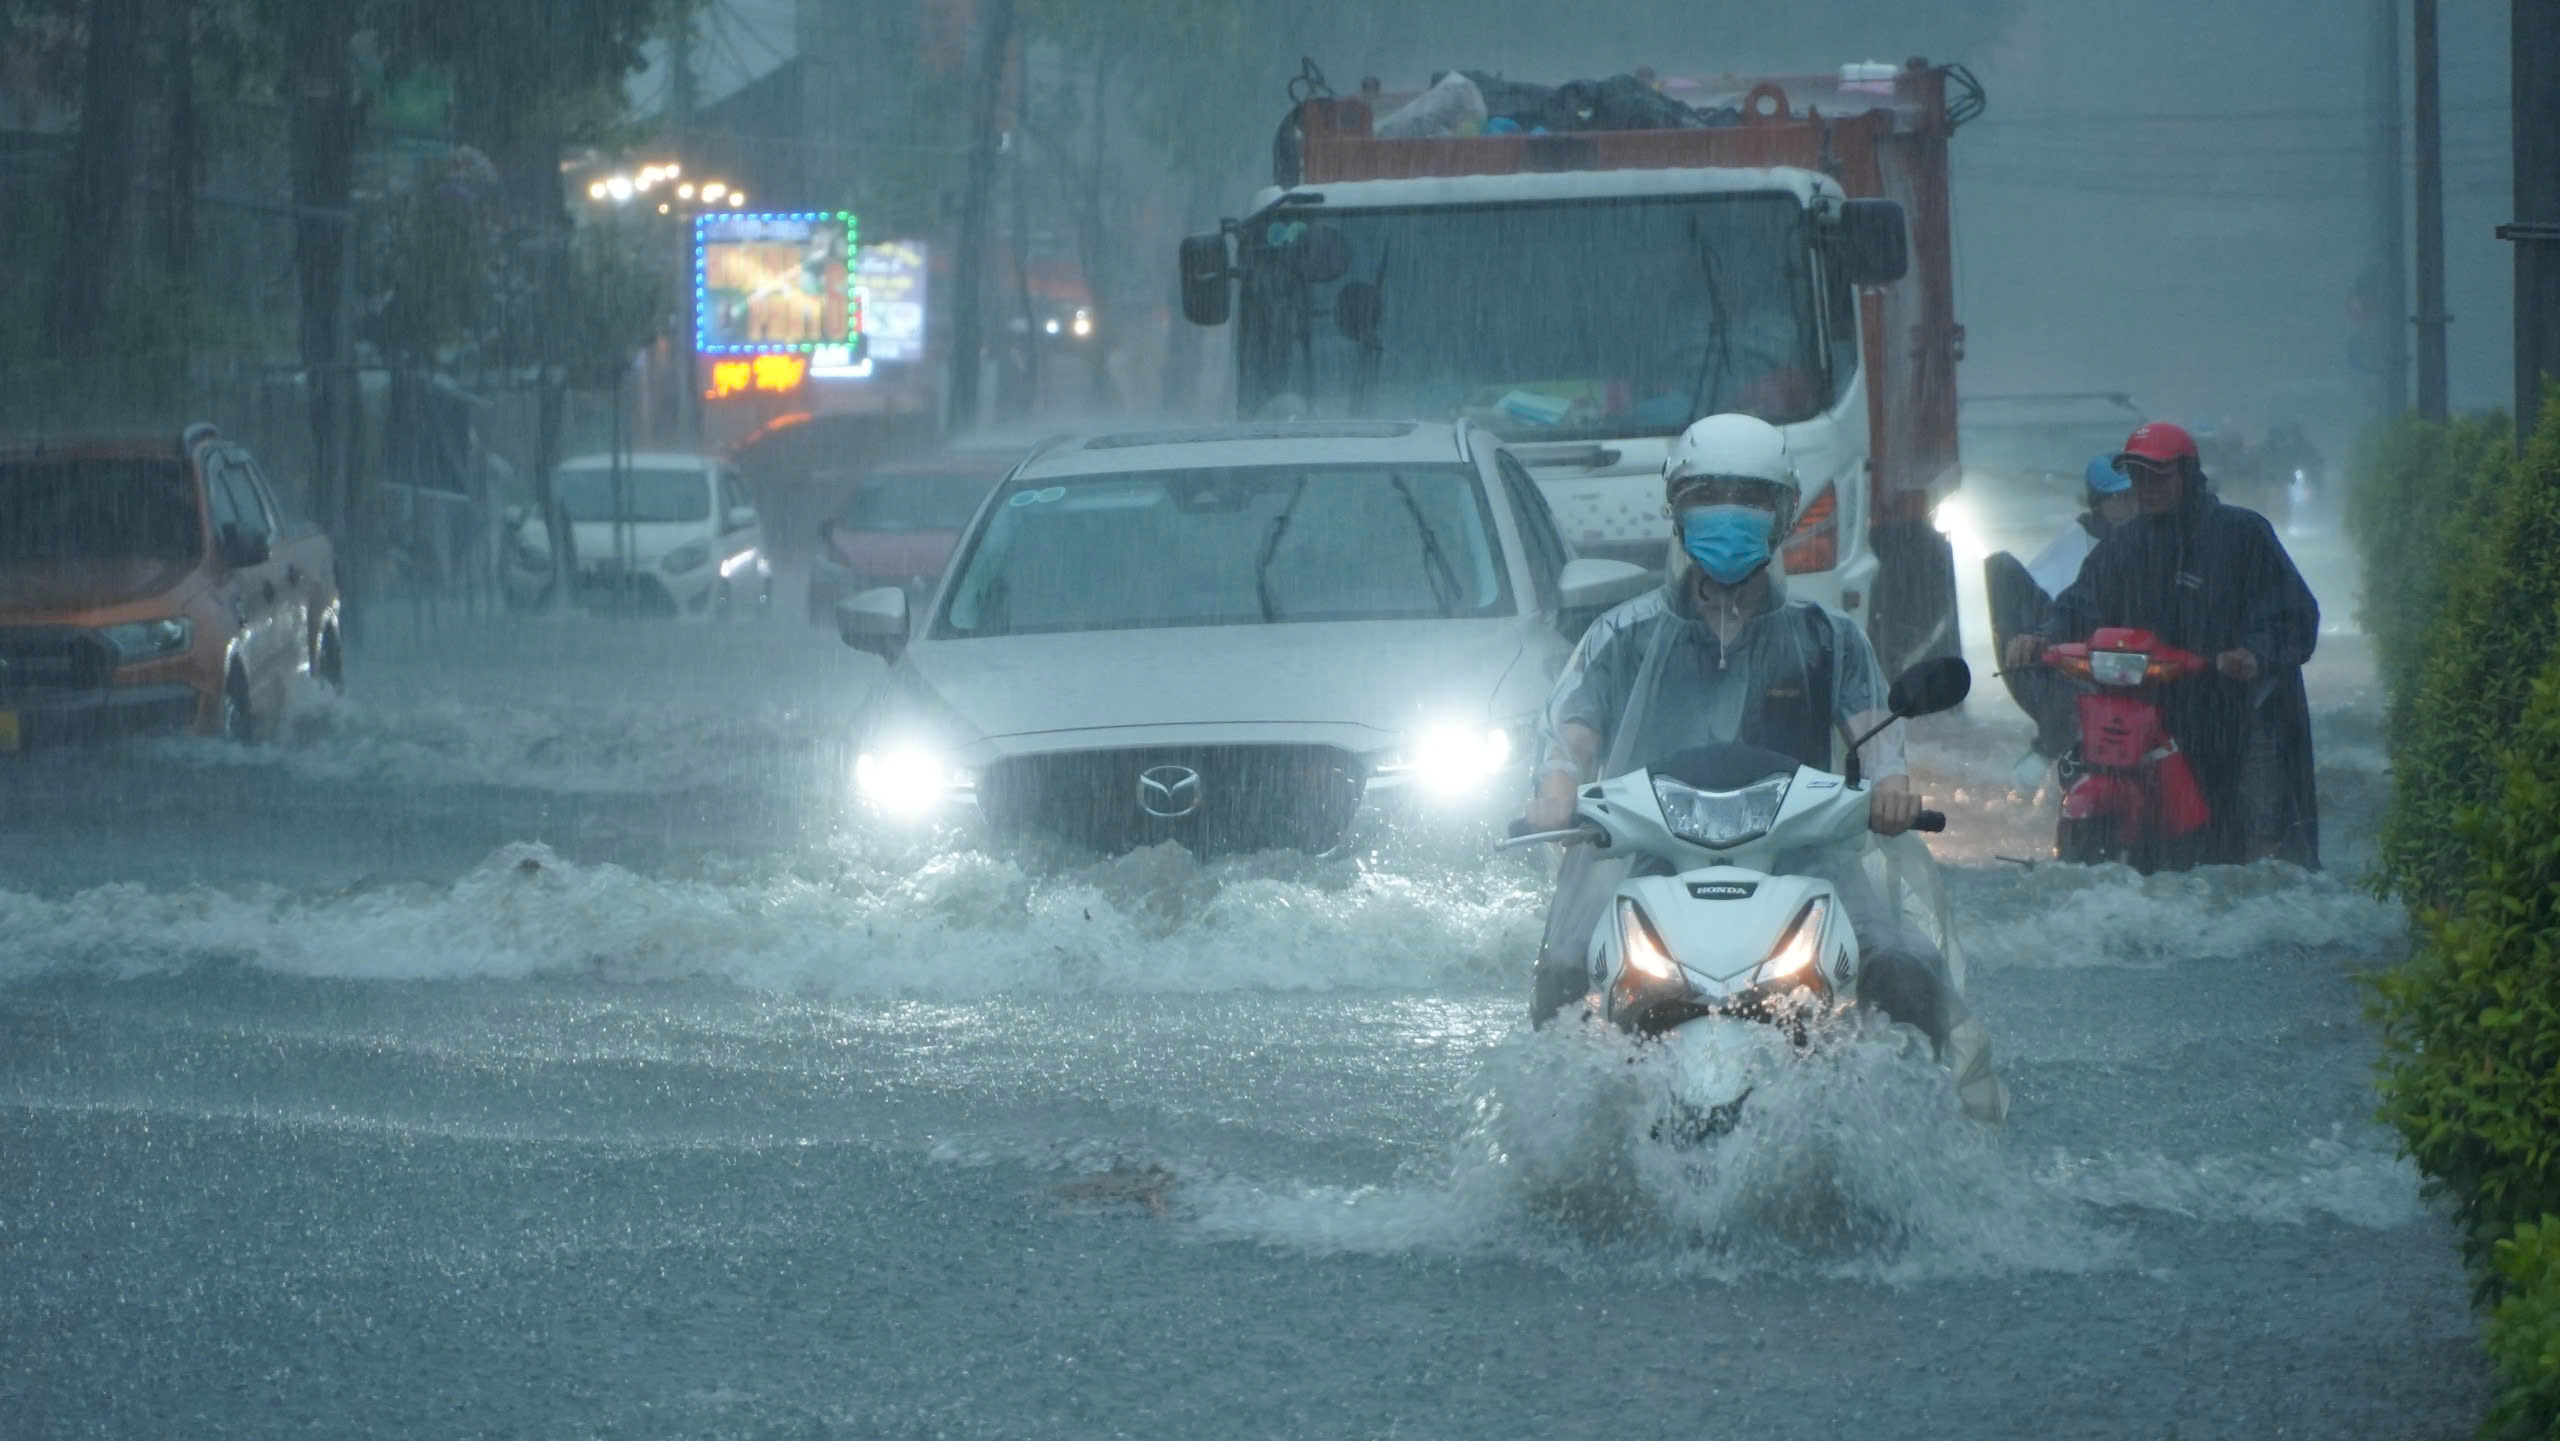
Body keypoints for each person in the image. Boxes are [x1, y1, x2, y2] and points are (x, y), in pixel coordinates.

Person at [1523, 414, 2003, 1119]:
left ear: (1782, 514)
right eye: (1708, 493)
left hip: (1807, 853)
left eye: (1749, 497)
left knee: (1902, 961)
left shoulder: (1828, 637)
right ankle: (1554, 1125)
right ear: (1676, 509)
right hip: (1655, 855)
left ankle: (1931, 1123)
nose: (1728, 512)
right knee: (1566, 966)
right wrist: (1558, 787)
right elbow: (1571, 726)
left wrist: (1891, 789)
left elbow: (1876, 735)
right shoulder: (1619, 635)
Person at [2001, 421, 2322, 867]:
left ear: (2188, 475)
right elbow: (2080, 604)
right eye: (2137, 476)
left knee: (2257, 835)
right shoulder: (2125, 546)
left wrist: (2253, 655)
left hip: (2238, 711)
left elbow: (2294, 614)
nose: (2145, 487)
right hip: (2155, 712)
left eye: (2158, 475)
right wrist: (2041, 638)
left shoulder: (2241, 535)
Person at [1984, 455, 2140, 786]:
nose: (2131, 505)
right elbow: (2062, 612)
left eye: (2134, 495)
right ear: (2100, 504)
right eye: (2120, 497)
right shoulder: (2076, 550)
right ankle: (2047, 749)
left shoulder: (2154, 543)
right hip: (2086, 670)